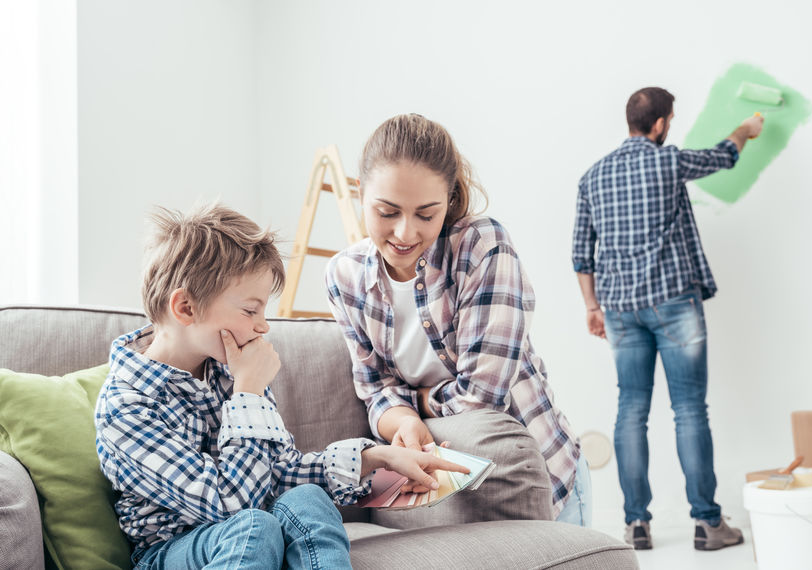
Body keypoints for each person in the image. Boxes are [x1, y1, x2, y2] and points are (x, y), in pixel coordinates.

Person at [94, 203, 469, 569]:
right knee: (253, 527)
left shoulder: (231, 371)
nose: (263, 326)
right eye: (249, 310)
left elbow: (278, 472)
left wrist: (376, 458)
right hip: (170, 550)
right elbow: (230, 503)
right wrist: (248, 395)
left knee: (306, 498)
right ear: (186, 309)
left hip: (246, 525)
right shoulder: (127, 406)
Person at [326, 113, 590, 526]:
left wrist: (414, 403)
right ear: (361, 194)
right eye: (387, 212)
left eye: (426, 215)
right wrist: (406, 421)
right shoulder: (344, 276)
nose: (404, 232)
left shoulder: (482, 247)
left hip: (543, 479)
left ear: (449, 201)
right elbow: (374, 388)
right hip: (456, 494)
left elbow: (481, 397)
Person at [572, 87, 764, 551]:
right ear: (659, 124)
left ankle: (636, 525)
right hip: (674, 302)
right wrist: (747, 130)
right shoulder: (669, 161)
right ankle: (707, 523)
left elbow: (581, 255)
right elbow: (724, 155)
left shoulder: (592, 176)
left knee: (630, 411)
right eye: (671, 121)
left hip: (619, 308)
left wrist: (592, 308)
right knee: (690, 410)